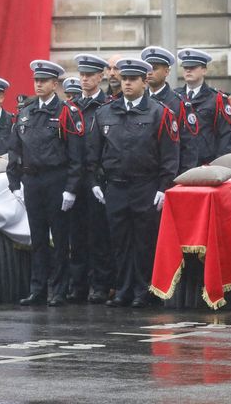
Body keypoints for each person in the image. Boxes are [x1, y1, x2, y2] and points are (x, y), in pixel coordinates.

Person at [88, 58, 179, 308]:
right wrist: (95, 180)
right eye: (124, 79)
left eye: (132, 79)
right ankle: (122, 289)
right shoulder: (106, 111)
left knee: (144, 241)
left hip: (145, 185)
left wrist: (164, 188)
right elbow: (93, 151)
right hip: (115, 186)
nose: (127, 83)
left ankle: (143, 290)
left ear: (143, 81)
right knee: (119, 241)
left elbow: (169, 155)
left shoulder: (159, 112)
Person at [8, 60, 86, 307]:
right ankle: (37, 289)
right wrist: (14, 182)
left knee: (60, 239)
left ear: (55, 84)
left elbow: (76, 155)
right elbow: (15, 150)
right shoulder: (26, 112)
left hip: (56, 179)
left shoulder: (66, 113)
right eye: (36, 80)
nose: (39, 84)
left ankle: (59, 290)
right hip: (32, 180)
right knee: (38, 238)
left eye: (44, 81)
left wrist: (71, 188)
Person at [68, 53, 114, 304]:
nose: (84, 79)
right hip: (75, 177)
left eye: (90, 75)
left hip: (98, 178)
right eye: (82, 75)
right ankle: (78, 285)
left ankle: (100, 284)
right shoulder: (72, 107)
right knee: (76, 234)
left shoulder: (107, 106)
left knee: (99, 235)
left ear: (100, 76)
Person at [174, 49, 231, 169]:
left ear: (204, 70)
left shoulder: (217, 99)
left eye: (193, 67)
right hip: (180, 163)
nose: (188, 70)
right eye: (185, 68)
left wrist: (218, 165)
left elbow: (225, 136)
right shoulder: (175, 97)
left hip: (206, 163)